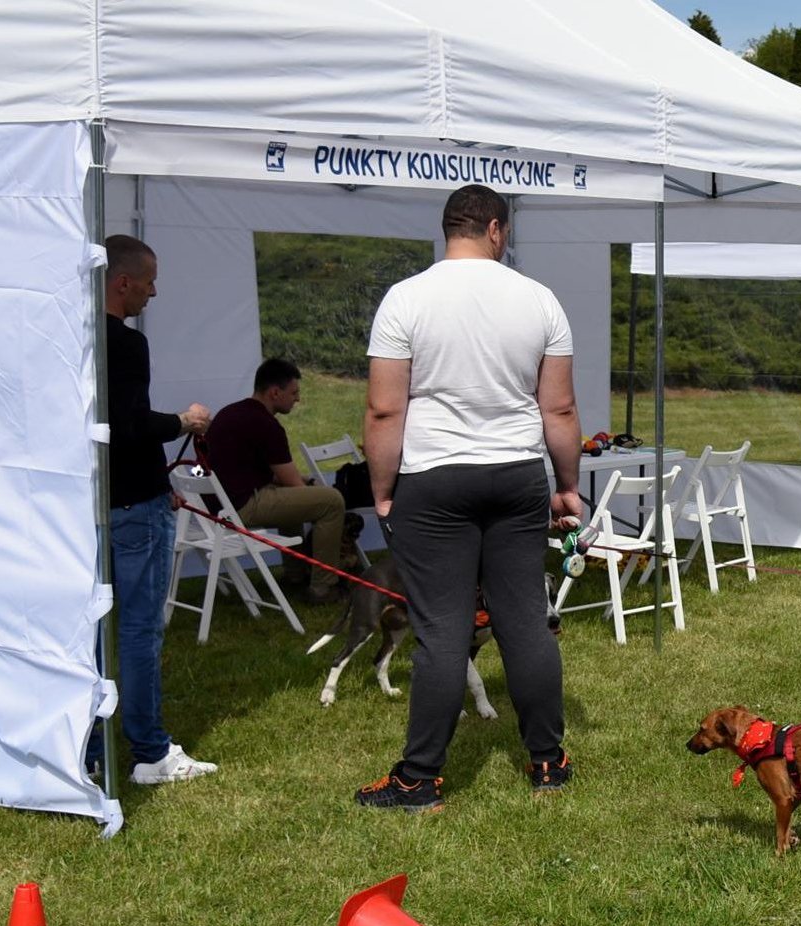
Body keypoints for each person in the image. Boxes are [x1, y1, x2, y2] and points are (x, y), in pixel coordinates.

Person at [354, 184, 583, 811]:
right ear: (497, 230)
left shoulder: (405, 299)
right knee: (525, 625)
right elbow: (558, 407)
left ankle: (419, 778)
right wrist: (566, 486)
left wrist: (381, 493)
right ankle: (547, 762)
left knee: (441, 632)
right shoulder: (539, 299)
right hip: (514, 474)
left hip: (434, 479)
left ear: (448, 229)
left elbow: (383, 408)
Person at [98, 234, 218, 785]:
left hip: (91, 503)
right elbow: (127, 425)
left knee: (93, 632)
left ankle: (91, 746)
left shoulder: (70, 337)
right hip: (133, 508)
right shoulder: (124, 344)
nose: (154, 291)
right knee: (141, 630)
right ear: (123, 282)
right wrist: (183, 422)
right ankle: (149, 751)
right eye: (148, 280)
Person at [203, 358, 349, 604]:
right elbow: (295, 485)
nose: (298, 399)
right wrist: (311, 491)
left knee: (290, 499)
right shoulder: (266, 425)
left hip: (219, 504)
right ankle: (324, 587)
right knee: (331, 501)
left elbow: (247, 468)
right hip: (241, 506)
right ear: (274, 392)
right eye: (294, 393)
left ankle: (295, 575)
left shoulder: (231, 412)